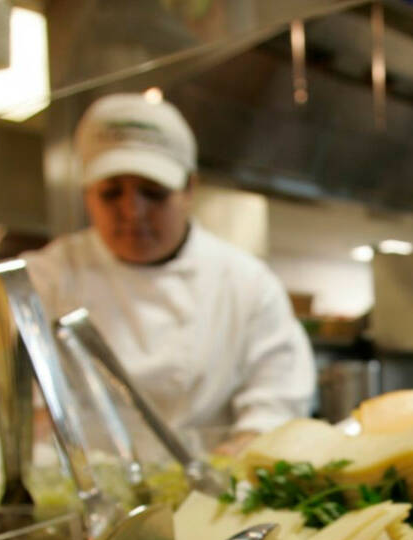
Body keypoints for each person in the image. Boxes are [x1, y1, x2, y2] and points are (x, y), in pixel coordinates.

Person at [25, 93, 315, 455]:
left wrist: (240, 454)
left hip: (213, 492)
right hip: (91, 493)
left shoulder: (246, 283)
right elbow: (31, 413)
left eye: (153, 193)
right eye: (111, 193)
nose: (132, 211)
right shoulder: (45, 278)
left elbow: (277, 403)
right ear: (86, 193)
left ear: (189, 189)